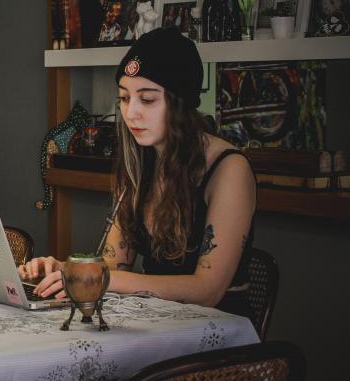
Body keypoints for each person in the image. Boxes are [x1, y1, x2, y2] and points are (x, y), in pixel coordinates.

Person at [19, 27, 256, 313]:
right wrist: (65, 270)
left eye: (147, 99)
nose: (131, 113)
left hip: (218, 340)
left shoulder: (229, 169)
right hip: (157, 324)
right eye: (124, 98)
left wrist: (103, 279)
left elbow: (208, 290)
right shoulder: (139, 162)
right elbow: (111, 266)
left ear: (181, 103)